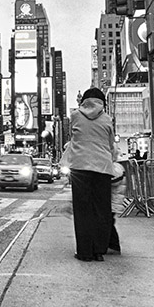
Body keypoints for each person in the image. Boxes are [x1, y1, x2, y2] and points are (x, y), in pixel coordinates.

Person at [61, 87, 117, 261]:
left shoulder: (75, 116)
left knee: (82, 211)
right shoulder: (107, 119)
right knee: (101, 210)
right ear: (102, 103)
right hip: (102, 168)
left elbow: (74, 137)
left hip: (81, 167)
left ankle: (84, 252)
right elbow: (110, 144)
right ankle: (99, 250)